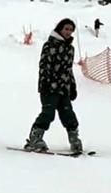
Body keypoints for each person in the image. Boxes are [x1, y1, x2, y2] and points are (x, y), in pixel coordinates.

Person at [24, 18, 83, 153]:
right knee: (48, 113)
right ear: (60, 29)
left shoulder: (70, 48)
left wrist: (72, 86)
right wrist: (45, 83)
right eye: (66, 29)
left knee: (68, 114)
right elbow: (44, 66)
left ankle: (74, 139)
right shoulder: (50, 45)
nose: (68, 32)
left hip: (64, 88)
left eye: (71, 30)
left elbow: (68, 69)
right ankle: (35, 138)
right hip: (49, 87)